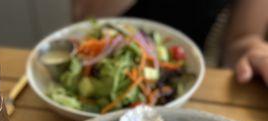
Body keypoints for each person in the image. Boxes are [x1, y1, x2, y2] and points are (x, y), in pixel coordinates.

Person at [72, 0, 268, 85]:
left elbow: (243, 40)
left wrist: (255, 54)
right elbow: (85, 16)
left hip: (188, 84)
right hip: (99, 69)